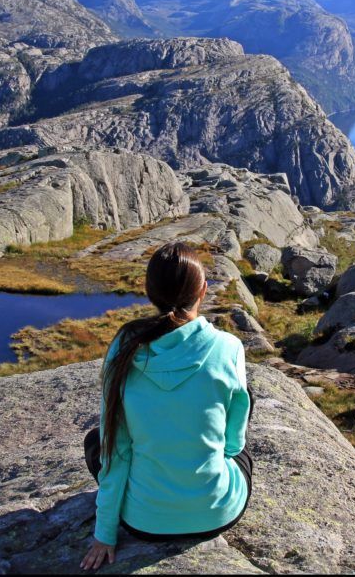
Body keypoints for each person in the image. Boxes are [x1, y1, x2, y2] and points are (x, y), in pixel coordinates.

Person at [80, 242, 253, 571]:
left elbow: (116, 452)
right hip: (217, 513)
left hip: (144, 523)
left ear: (149, 292)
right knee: (243, 433)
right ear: (202, 290)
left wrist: (104, 534)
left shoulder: (125, 347)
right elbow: (233, 445)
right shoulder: (228, 348)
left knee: (96, 440)